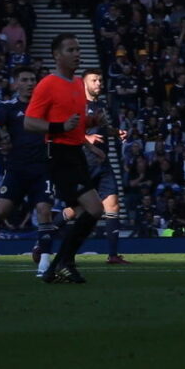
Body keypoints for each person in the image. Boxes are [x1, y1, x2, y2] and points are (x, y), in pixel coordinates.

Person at [21, 33, 108, 284]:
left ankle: (55, 260)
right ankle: (61, 263)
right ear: (56, 55)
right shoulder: (48, 84)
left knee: (82, 210)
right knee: (94, 209)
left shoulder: (77, 84)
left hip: (76, 152)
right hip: (58, 153)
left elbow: (75, 124)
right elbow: (30, 122)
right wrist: (59, 126)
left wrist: (91, 125)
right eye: (70, 50)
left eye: (78, 49)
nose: (76, 54)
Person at [0, 70, 50, 259]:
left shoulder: (47, 107)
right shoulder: (7, 107)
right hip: (17, 169)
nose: (30, 83)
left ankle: (44, 264)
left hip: (42, 169)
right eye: (24, 80)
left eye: (33, 79)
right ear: (15, 84)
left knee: (44, 210)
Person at [76, 71, 129, 265]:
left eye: (100, 80)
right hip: (83, 162)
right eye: (94, 80)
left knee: (113, 205)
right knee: (75, 210)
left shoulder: (102, 106)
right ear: (84, 84)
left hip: (103, 163)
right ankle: (44, 240)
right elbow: (65, 130)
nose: (99, 83)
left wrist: (117, 133)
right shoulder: (76, 104)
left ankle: (113, 255)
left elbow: (105, 128)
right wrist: (86, 138)